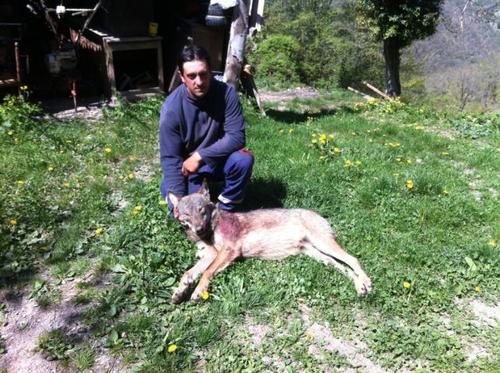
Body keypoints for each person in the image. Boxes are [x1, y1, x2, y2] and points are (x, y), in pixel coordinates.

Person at [159, 44, 254, 212]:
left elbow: (237, 137)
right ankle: (179, 191)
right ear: (182, 77)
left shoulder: (226, 94)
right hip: (188, 168)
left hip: (218, 160)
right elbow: (170, 158)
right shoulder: (171, 108)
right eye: (192, 76)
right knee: (178, 204)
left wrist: (200, 156)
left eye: (203, 74)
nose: (199, 82)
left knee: (243, 160)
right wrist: (179, 200)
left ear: (210, 72)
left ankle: (225, 209)